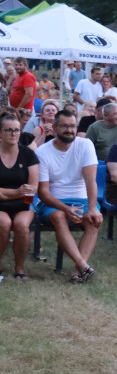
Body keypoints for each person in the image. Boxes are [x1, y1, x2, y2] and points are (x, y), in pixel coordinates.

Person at [35, 109, 103, 282]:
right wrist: (65, 208)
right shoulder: (43, 152)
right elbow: (42, 192)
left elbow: (91, 181)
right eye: (64, 126)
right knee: (58, 216)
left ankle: (77, 272)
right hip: (54, 201)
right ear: (55, 128)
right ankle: (83, 266)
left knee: (93, 220)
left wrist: (92, 208)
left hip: (82, 198)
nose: (70, 130)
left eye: (73, 126)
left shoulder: (85, 144)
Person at [0, 112, 38, 279]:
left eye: (17, 130)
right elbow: (22, 190)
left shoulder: (28, 154)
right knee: (4, 223)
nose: (14, 134)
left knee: (22, 225)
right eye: (8, 130)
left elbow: (32, 187)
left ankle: (19, 269)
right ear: (0, 133)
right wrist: (15, 192)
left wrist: (4, 194)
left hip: (24, 203)